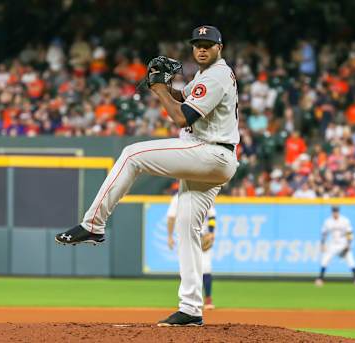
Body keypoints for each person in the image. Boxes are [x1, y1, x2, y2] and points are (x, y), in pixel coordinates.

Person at [55, 25, 239, 327]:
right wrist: (167, 87)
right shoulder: (207, 76)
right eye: (197, 44)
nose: (202, 49)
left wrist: (157, 88)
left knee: (131, 154)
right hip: (213, 156)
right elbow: (184, 97)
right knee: (186, 229)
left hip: (209, 152)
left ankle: (93, 224)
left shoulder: (217, 75)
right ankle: (192, 308)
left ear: (220, 47)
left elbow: (181, 116)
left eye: (208, 44)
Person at [167, 191, 217, 310]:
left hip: (202, 237)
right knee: (187, 268)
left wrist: (211, 232)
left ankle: (207, 299)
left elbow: (212, 215)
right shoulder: (176, 198)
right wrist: (169, 236)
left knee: (205, 268)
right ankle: (188, 301)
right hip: (185, 237)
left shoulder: (203, 194)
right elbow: (171, 218)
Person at [315, 206, 355, 287]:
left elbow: (349, 233)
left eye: (336, 211)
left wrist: (349, 244)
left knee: (350, 260)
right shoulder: (328, 221)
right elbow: (324, 233)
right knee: (325, 259)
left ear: (339, 212)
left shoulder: (344, 220)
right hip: (333, 243)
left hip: (343, 243)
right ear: (332, 212)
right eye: (334, 211)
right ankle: (320, 278)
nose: (335, 213)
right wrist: (322, 244)